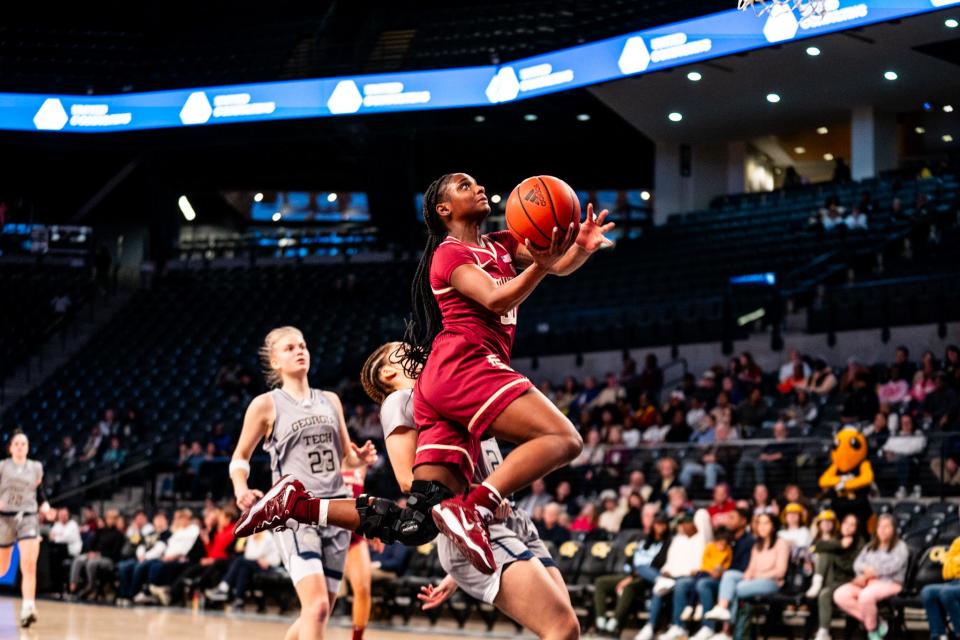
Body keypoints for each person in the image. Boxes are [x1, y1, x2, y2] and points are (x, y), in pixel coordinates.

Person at [362, 340, 579, 640]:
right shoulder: (400, 399)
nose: (416, 347)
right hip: (482, 520)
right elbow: (407, 479)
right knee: (561, 628)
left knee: (566, 630)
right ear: (387, 372)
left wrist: (457, 575)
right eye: (404, 347)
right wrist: (479, 495)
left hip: (508, 520)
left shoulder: (443, 393)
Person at [229, 326, 377, 640]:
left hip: (336, 510)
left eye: (303, 345)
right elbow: (239, 456)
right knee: (318, 607)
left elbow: (344, 458)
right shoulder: (266, 404)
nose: (300, 351)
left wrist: (359, 458)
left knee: (316, 612)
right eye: (290, 348)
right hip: (295, 511)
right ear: (275, 362)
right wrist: (241, 489)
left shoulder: (330, 400)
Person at [703, 513, 790, 640]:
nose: (762, 526)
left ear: (773, 525)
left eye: (766, 523)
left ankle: (726, 630)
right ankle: (722, 608)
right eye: (759, 523)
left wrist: (758, 575)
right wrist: (748, 575)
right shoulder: (757, 545)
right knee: (729, 575)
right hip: (753, 581)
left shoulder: (781, 544)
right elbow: (751, 569)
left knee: (735, 589)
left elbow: (780, 571)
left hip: (772, 582)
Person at [635, 510, 713, 640]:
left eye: (688, 523)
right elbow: (670, 561)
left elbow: (702, 516)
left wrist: (695, 511)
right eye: (683, 523)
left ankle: (679, 626)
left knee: (680, 585)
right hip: (671, 576)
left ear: (695, 523)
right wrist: (666, 571)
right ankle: (650, 626)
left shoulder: (702, 539)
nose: (685, 526)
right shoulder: (677, 540)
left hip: (690, 577)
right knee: (657, 584)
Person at [0, 432, 50, 627]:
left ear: (28, 448)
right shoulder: (3, 466)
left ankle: (28, 608)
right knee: (2, 568)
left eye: (24, 443)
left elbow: (40, 491)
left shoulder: (35, 467)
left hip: (28, 517)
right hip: (4, 519)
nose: (20, 446)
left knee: (29, 565)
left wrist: (45, 505)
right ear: (11, 448)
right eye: (17, 444)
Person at [832, 514, 908, 640]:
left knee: (865, 596)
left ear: (894, 529)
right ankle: (877, 621)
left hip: (890, 583)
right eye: (880, 527)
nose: (882, 530)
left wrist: (873, 572)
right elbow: (857, 564)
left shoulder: (900, 546)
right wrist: (865, 574)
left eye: (886, 527)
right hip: (867, 582)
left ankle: (872, 630)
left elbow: (894, 566)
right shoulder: (870, 546)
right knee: (840, 594)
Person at [594, 513, 670, 635]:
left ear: (666, 526)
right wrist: (630, 574)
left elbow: (657, 565)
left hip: (647, 578)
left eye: (662, 524)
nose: (659, 527)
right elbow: (630, 561)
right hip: (631, 574)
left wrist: (631, 577)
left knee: (628, 587)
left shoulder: (666, 544)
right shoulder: (642, 541)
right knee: (600, 582)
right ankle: (601, 619)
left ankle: (615, 622)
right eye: (657, 524)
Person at [807, 513, 864, 640]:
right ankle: (817, 581)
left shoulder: (859, 542)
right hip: (831, 579)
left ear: (856, 528)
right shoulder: (837, 538)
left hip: (848, 581)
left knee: (824, 594)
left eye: (852, 525)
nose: (848, 527)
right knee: (825, 553)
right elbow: (817, 546)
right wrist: (839, 545)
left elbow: (851, 567)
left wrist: (836, 553)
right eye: (846, 523)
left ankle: (823, 631)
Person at [921, 534, 960, 640]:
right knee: (927, 592)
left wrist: (953, 562)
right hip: (955, 581)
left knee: (947, 593)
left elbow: (951, 563)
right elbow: (947, 571)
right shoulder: (957, 541)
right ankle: (939, 635)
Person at [880, 413, 926, 498]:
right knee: (875, 460)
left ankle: (903, 488)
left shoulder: (918, 434)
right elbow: (885, 447)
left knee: (903, 459)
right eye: (903, 422)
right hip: (893, 459)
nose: (905, 425)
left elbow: (914, 449)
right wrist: (887, 452)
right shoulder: (896, 435)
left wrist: (895, 452)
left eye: (908, 422)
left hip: (911, 459)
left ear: (912, 423)